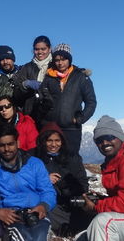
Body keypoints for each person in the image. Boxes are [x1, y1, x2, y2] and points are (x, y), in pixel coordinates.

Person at [39, 43, 96, 175]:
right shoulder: (49, 77)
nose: (60, 63)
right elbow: (41, 100)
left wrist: (80, 118)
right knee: (50, 159)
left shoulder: (81, 77)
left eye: (63, 59)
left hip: (71, 127)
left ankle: (73, 188)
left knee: (71, 159)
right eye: (57, 60)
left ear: (69, 59)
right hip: (51, 126)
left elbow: (91, 102)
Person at [36, 122, 90, 236]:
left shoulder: (72, 158)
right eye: (49, 140)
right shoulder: (35, 158)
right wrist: (45, 180)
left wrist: (67, 187)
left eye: (57, 141)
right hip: (48, 203)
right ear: (43, 141)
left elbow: (83, 184)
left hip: (69, 203)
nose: (53, 144)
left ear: (62, 141)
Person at [14, 35, 53, 122]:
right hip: (31, 114)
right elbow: (16, 95)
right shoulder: (27, 68)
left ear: (49, 49)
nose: (40, 52)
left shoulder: (55, 66)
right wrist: (25, 85)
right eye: (37, 49)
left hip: (51, 114)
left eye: (43, 49)